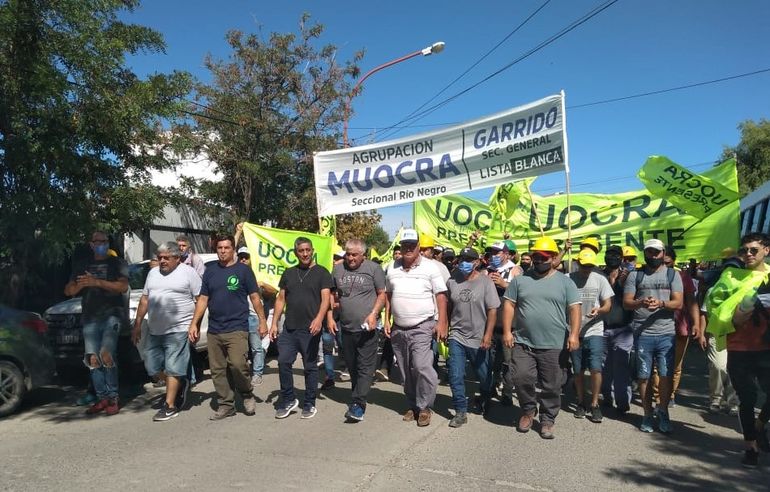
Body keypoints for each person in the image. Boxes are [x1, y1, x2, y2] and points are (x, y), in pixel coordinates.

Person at [501, 236, 581, 439]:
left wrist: (574, 334)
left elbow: (574, 308)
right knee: (520, 377)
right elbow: (509, 305)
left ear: (554, 258)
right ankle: (528, 410)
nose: (538, 260)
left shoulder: (566, 282)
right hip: (523, 342)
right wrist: (508, 331)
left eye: (543, 257)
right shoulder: (520, 280)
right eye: (535, 256)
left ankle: (547, 419)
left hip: (554, 344)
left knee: (552, 385)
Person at [188, 234, 267, 420]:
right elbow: (203, 299)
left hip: (237, 326)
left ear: (233, 250)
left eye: (226, 248)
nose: (223, 251)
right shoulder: (210, 271)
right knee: (218, 370)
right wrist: (194, 324)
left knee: (238, 364)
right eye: (220, 248)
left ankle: (247, 393)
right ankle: (226, 404)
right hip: (215, 329)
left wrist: (263, 321)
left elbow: (255, 297)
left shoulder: (243, 271)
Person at [385, 228, 448, 427]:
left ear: (419, 246)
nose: (409, 248)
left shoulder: (431, 267)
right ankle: (412, 404)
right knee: (405, 370)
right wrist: (387, 319)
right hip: (398, 327)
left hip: (423, 325)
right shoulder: (391, 267)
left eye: (412, 244)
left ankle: (425, 406)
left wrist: (442, 322)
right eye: (405, 245)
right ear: (400, 247)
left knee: (421, 366)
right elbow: (388, 295)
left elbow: (441, 295)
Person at [131, 242, 201, 421]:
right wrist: (138, 324)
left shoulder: (188, 273)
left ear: (177, 258)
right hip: (155, 330)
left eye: (166, 258)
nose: (161, 261)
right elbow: (145, 299)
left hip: (179, 328)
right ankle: (182, 381)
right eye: (159, 257)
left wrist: (195, 324)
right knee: (152, 367)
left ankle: (170, 405)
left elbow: (201, 299)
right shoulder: (153, 273)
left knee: (172, 368)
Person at [64, 231, 129, 416]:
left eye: (104, 241)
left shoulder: (117, 263)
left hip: (111, 315)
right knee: (92, 358)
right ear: (91, 244)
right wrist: (81, 286)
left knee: (106, 354)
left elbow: (122, 286)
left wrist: (97, 282)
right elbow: (68, 290)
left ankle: (113, 396)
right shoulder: (82, 264)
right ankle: (102, 398)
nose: (101, 244)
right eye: (97, 241)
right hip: (90, 317)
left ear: (108, 243)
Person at [623, 238, 683, 434]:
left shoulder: (673, 274)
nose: (653, 256)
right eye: (650, 252)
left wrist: (662, 304)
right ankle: (647, 414)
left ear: (664, 253)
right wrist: (641, 302)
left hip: (666, 333)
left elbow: (679, 303)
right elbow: (626, 303)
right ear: (645, 253)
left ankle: (663, 411)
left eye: (657, 252)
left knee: (665, 376)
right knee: (643, 376)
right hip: (642, 333)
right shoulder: (635, 276)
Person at [270, 237, 333, 419]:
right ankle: (289, 399)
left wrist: (319, 319)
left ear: (312, 250)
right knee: (283, 362)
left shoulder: (322, 272)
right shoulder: (289, 273)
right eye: (301, 251)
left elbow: (326, 299)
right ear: (295, 253)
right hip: (289, 328)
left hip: (310, 329)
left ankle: (309, 403)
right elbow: (281, 299)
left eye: (307, 250)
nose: (305, 254)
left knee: (310, 367)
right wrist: (274, 323)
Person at [725, 233, 770, 468]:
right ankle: (751, 447)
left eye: (753, 250)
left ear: (766, 250)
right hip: (739, 348)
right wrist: (744, 308)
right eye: (744, 251)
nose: (748, 255)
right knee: (747, 398)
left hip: (766, 349)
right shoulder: (732, 277)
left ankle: (761, 425)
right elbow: (723, 315)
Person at [329, 239, 386, 422]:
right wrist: (331, 315)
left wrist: (374, 313)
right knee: (352, 366)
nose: (350, 258)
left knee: (365, 367)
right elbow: (331, 293)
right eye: (348, 254)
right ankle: (358, 395)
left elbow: (382, 294)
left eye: (354, 254)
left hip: (367, 329)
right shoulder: (338, 269)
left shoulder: (373, 269)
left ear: (363, 255)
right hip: (346, 328)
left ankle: (358, 404)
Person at [445, 248, 500, 427]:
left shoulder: (485, 282)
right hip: (457, 336)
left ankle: (485, 395)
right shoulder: (452, 281)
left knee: (484, 376)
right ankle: (460, 411)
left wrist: (488, 335)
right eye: (462, 258)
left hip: (479, 337)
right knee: (455, 374)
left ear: (477, 262)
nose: (464, 262)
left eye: (469, 259)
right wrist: (445, 327)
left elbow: (492, 310)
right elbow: (448, 306)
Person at [651, 246, 700, 407]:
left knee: (675, 366)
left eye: (669, 263)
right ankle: (659, 397)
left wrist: (696, 324)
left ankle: (670, 394)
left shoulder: (683, 277)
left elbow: (691, 302)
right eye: (663, 263)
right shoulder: (651, 276)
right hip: (657, 326)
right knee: (658, 366)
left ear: (674, 261)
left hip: (680, 327)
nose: (666, 266)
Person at [568, 249, 613, 422]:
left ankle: (594, 404)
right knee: (577, 369)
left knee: (595, 368)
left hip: (595, 329)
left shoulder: (600, 279)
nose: (586, 269)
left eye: (590, 266)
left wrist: (600, 310)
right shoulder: (568, 279)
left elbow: (608, 304)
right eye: (583, 265)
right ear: (577, 263)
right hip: (574, 331)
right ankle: (580, 401)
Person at [486, 240, 523, 406]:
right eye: (492, 253)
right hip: (490, 324)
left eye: (497, 252)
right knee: (492, 359)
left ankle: (508, 391)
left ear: (507, 254)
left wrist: (503, 284)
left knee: (509, 362)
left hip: (510, 326)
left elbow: (522, 293)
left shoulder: (515, 269)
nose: (493, 256)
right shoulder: (488, 270)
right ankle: (493, 384)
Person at [600, 245, 634, 415]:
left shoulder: (629, 276)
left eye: (615, 255)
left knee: (621, 365)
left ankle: (622, 402)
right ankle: (607, 396)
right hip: (602, 328)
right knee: (604, 366)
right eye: (609, 254)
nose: (611, 257)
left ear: (622, 258)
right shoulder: (598, 275)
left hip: (623, 329)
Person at [237, 246, 266, 387]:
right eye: (241, 256)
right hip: (238, 316)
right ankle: (243, 374)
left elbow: (275, 291)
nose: (243, 259)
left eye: (246, 257)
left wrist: (263, 285)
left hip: (254, 316)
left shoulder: (258, 274)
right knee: (240, 349)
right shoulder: (235, 272)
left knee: (256, 348)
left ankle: (258, 374)